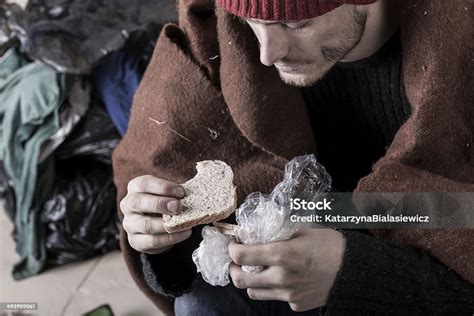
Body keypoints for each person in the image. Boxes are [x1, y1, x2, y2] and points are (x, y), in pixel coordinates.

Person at [114, 0, 474, 314]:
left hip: (417, 273)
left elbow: (457, 218)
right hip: (293, 250)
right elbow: (161, 166)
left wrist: (359, 277)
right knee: (205, 302)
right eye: (253, 22)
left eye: (296, 24)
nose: (267, 54)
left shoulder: (460, 40)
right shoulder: (216, 27)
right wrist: (163, 234)